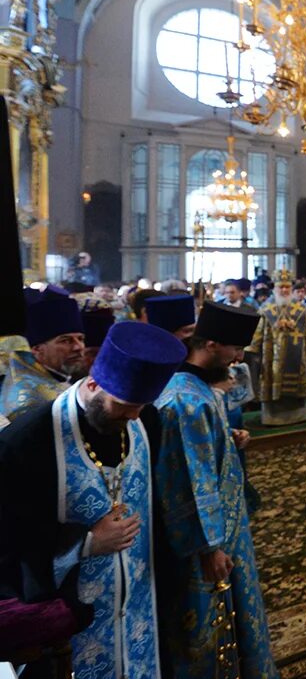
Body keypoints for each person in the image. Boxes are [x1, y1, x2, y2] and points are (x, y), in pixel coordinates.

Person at [0, 321, 186, 679]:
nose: (133, 416)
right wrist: (84, 543)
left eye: (141, 405)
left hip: (140, 611)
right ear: (93, 383)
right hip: (72, 625)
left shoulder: (145, 419)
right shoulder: (25, 444)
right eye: (124, 405)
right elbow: (9, 544)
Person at [152, 301, 277, 678]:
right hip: (206, 538)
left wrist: (228, 438)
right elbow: (189, 480)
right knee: (210, 619)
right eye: (235, 349)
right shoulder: (186, 402)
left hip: (223, 524)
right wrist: (210, 547)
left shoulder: (193, 386)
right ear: (210, 346)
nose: (238, 358)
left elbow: (203, 453)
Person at [246, 269, 306, 426]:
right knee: (273, 384)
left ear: (291, 289)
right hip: (271, 359)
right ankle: (273, 417)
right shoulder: (265, 310)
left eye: (287, 287)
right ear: (275, 288)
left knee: (296, 386)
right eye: (281, 287)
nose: (284, 290)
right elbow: (257, 333)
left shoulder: (301, 310)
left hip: (296, 358)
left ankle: (299, 415)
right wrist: (252, 347)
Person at [0, 286, 85, 423]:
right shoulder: (29, 403)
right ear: (37, 349)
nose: (78, 347)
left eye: (80, 339)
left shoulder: (57, 374)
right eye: (65, 340)